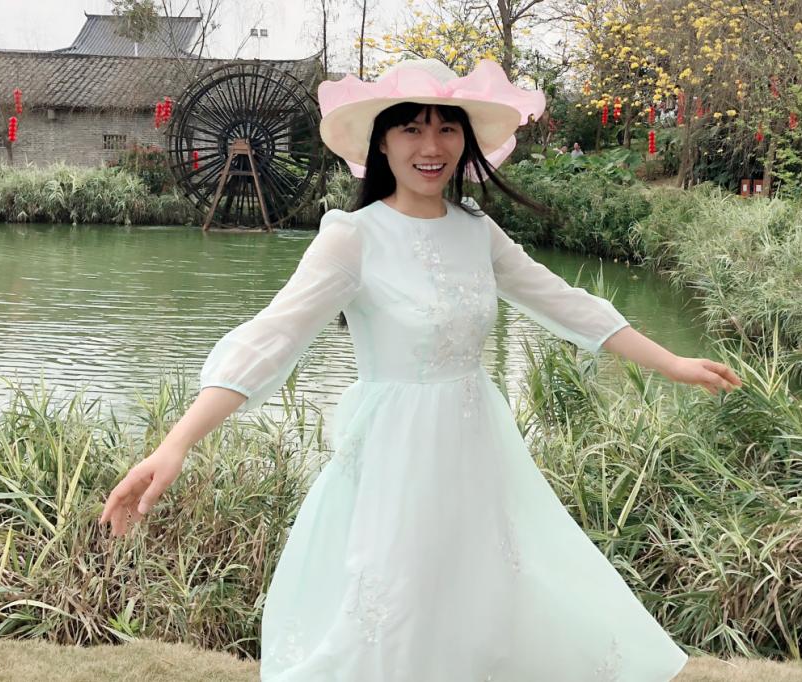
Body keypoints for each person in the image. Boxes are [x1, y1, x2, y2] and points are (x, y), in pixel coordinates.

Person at [99, 58, 742, 681]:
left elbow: (564, 303)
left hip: (476, 445)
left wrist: (672, 362)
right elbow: (272, 338)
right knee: (394, 608)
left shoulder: (476, 230)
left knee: (484, 597)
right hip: (395, 457)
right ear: (381, 143)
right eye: (411, 128)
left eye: (447, 127)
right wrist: (175, 444)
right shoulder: (353, 237)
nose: (432, 147)